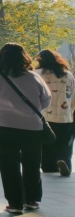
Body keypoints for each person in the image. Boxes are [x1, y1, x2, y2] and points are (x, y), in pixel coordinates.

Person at [0, 43, 51, 214]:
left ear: (0, 58)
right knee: (32, 163)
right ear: (24, 57)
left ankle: (15, 203)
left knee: (9, 164)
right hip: (33, 127)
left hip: (5, 125)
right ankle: (32, 200)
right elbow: (46, 100)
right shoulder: (34, 77)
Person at [35, 49, 74, 177]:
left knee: (46, 147)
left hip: (45, 117)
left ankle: (49, 168)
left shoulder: (37, 74)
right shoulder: (68, 75)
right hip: (65, 118)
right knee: (64, 147)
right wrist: (69, 111)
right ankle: (65, 163)